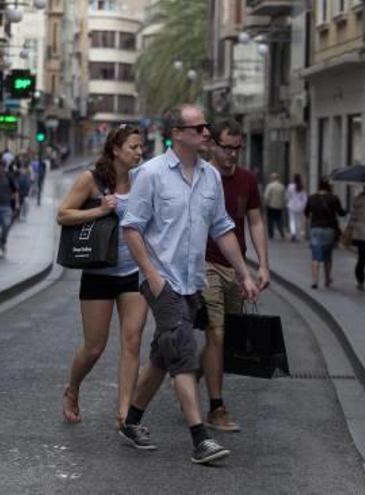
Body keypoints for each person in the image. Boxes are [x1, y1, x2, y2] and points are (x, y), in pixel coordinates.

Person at [121, 104, 260, 464]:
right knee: (183, 351)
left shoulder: (210, 177)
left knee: (161, 356)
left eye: (206, 127)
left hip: (191, 280)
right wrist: (152, 276)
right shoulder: (150, 174)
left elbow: (223, 229)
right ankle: (200, 439)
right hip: (160, 280)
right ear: (177, 134)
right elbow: (131, 227)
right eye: (198, 128)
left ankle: (132, 420)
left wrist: (244, 272)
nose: (206, 133)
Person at [57, 125, 147, 426]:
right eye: (133, 147)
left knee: (132, 341)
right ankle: (72, 388)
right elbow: (63, 214)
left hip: (133, 271)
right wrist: (98, 210)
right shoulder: (91, 180)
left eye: (140, 147)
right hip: (98, 272)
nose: (139, 152)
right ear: (115, 150)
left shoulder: (143, 180)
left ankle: (124, 412)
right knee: (94, 347)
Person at [200, 118, 270, 432]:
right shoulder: (200, 177)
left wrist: (262, 265)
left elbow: (255, 221)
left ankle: (188, 374)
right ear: (212, 145)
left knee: (224, 339)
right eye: (226, 148)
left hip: (236, 266)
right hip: (205, 264)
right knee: (215, 332)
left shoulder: (247, 179)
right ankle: (216, 408)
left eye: (237, 149)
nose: (232, 155)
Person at [304, 178, 346, 289]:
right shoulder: (333, 198)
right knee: (328, 256)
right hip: (329, 229)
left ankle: (315, 281)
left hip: (315, 229)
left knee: (315, 256)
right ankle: (327, 279)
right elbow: (341, 213)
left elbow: (306, 213)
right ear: (328, 186)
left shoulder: (312, 198)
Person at [263, 173, 287, 239]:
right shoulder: (282, 186)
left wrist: (265, 204)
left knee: (270, 221)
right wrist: (283, 205)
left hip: (271, 206)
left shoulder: (270, 186)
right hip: (279, 206)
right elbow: (284, 197)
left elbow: (266, 196)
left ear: (272, 178)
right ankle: (281, 232)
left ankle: (271, 234)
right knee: (279, 220)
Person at [286, 173, 307, 242]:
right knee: (298, 221)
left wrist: (288, 201)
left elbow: (288, 196)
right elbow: (304, 198)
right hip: (299, 207)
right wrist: (303, 206)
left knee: (292, 220)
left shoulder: (290, 186)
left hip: (291, 205)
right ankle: (297, 235)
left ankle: (293, 233)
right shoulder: (302, 187)